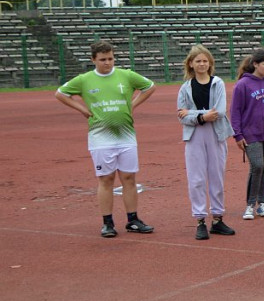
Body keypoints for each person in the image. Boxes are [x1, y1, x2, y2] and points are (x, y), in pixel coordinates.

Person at [55, 40, 156, 238]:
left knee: (129, 178)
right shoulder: (84, 80)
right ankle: (107, 222)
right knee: (106, 179)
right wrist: (83, 109)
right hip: (100, 138)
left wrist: (132, 105)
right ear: (93, 60)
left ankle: (133, 220)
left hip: (126, 136)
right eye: (102, 60)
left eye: (110, 59)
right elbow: (60, 94)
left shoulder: (125, 75)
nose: (107, 63)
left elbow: (150, 87)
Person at [177, 45, 236, 240]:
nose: (202, 64)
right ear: (191, 64)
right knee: (196, 178)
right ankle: (200, 220)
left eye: (205, 61)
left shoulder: (217, 83)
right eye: (198, 61)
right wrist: (201, 116)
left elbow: (218, 112)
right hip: (194, 135)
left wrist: (192, 114)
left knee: (216, 176)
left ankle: (217, 219)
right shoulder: (185, 87)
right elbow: (180, 115)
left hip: (215, 134)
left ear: (210, 64)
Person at [230, 48, 264, 221]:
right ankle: (249, 205)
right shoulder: (242, 85)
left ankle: (262, 204)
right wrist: (237, 135)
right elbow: (235, 111)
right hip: (250, 133)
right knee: (257, 166)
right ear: (255, 64)